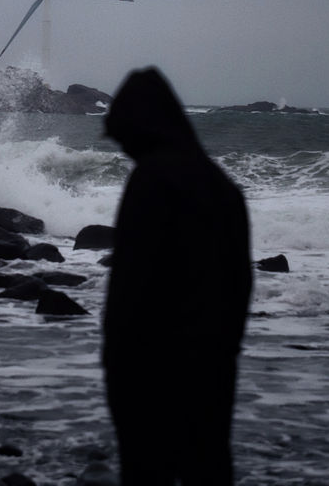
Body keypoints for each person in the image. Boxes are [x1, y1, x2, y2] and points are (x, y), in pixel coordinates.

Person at [103, 67, 252, 485]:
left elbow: (131, 289)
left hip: (149, 368)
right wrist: (225, 353)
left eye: (125, 140)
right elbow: (241, 284)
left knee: (146, 471)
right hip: (213, 365)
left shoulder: (151, 180)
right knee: (209, 466)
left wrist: (117, 366)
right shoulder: (223, 187)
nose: (126, 151)